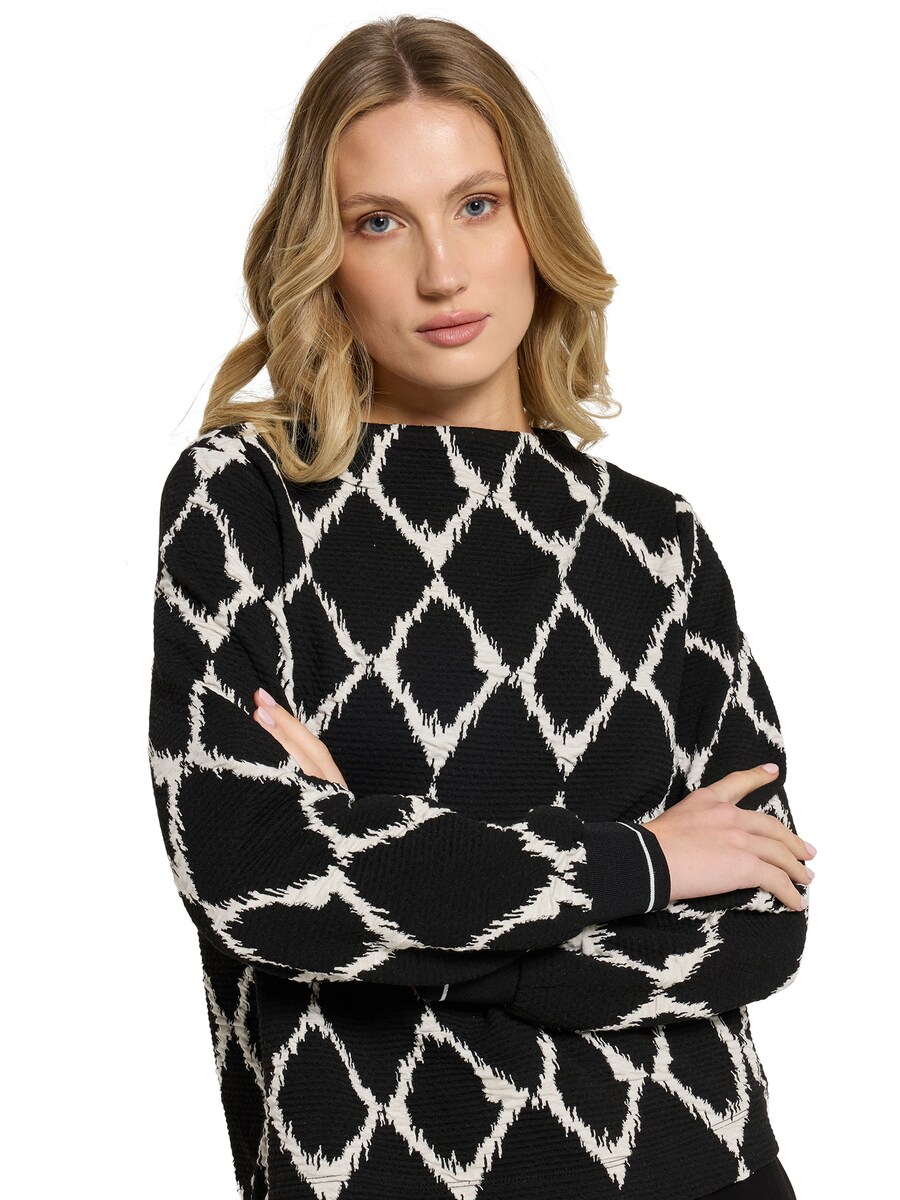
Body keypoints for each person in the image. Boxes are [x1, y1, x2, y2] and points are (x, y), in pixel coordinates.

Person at [147, 15, 814, 1200]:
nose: (442, 273)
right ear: (323, 252)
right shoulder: (246, 500)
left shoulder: (655, 541)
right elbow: (255, 872)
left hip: (701, 1170)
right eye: (379, 222)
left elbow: (761, 918)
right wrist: (645, 861)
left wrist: (394, 892)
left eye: (476, 205)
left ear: (534, 219)